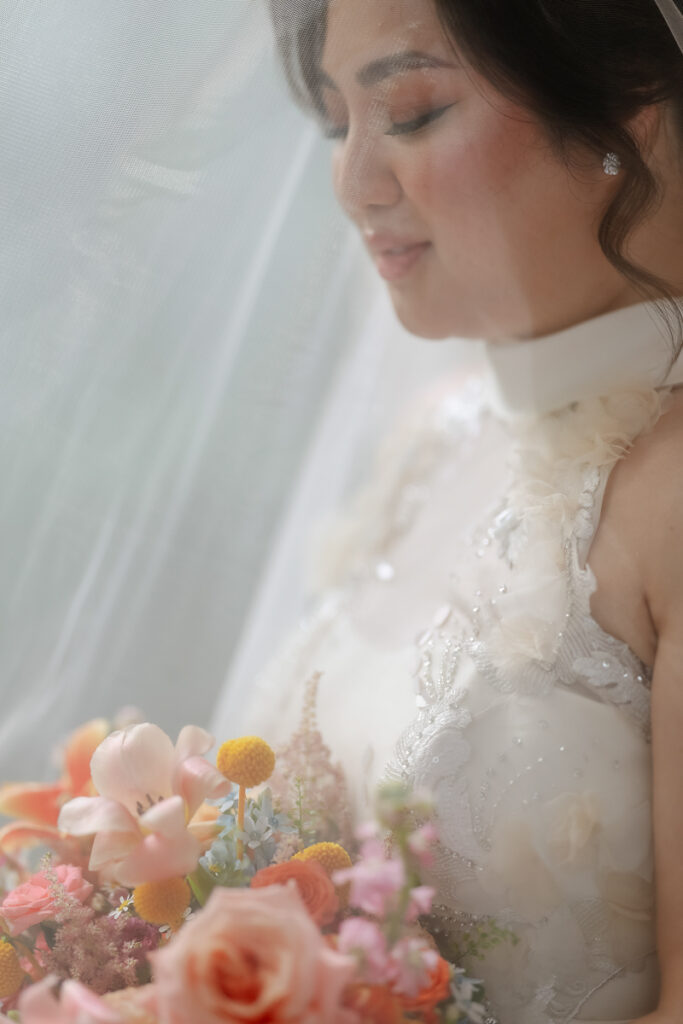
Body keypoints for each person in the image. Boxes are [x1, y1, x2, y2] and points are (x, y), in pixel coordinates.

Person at [235, 2, 683, 1021]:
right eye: (334, 124)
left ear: (628, 99)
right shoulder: (435, 435)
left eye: (411, 112)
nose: (353, 182)